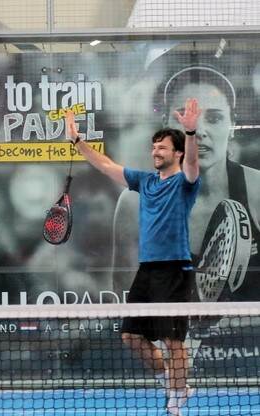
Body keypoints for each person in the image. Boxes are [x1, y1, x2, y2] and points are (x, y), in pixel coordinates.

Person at [65, 97, 200, 415]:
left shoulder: (185, 182)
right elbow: (106, 165)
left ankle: (176, 401)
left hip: (174, 269)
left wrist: (191, 133)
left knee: (173, 341)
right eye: (154, 147)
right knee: (130, 336)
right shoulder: (145, 181)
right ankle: (174, 382)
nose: (156, 152)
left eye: (162, 147)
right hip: (147, 270)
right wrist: (77, 141)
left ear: (177, 153)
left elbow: (193, 165)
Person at [113, 65, 260, 302]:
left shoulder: (257, 189)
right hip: (165, 328)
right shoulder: (134, 202)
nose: (199, 130)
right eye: (183, 117)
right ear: (166, 125)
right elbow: (124, 300)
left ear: (232, 125)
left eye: (214, 118)